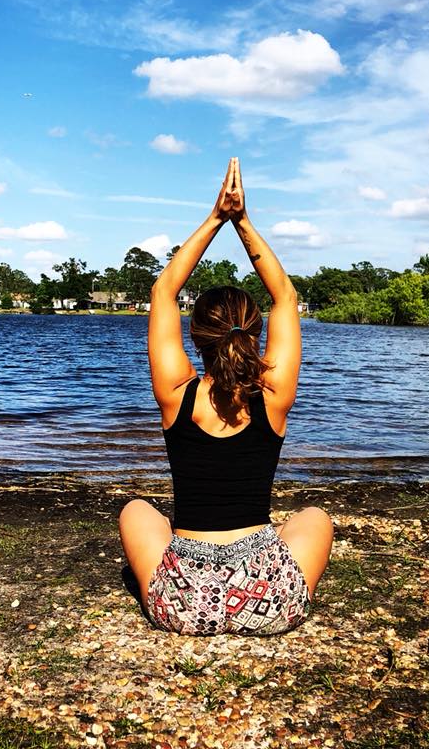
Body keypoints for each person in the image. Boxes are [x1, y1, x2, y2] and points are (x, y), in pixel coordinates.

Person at [119, 157, 333, 635]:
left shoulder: (177, 394)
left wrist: (216, 217)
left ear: (196, 338)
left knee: (136, 510)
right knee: (315, 517)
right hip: (269, 603)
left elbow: (163, 292)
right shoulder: (272, 395)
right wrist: (243, 221)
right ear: (255, 335)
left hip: (185, 606)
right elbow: (285, 296)